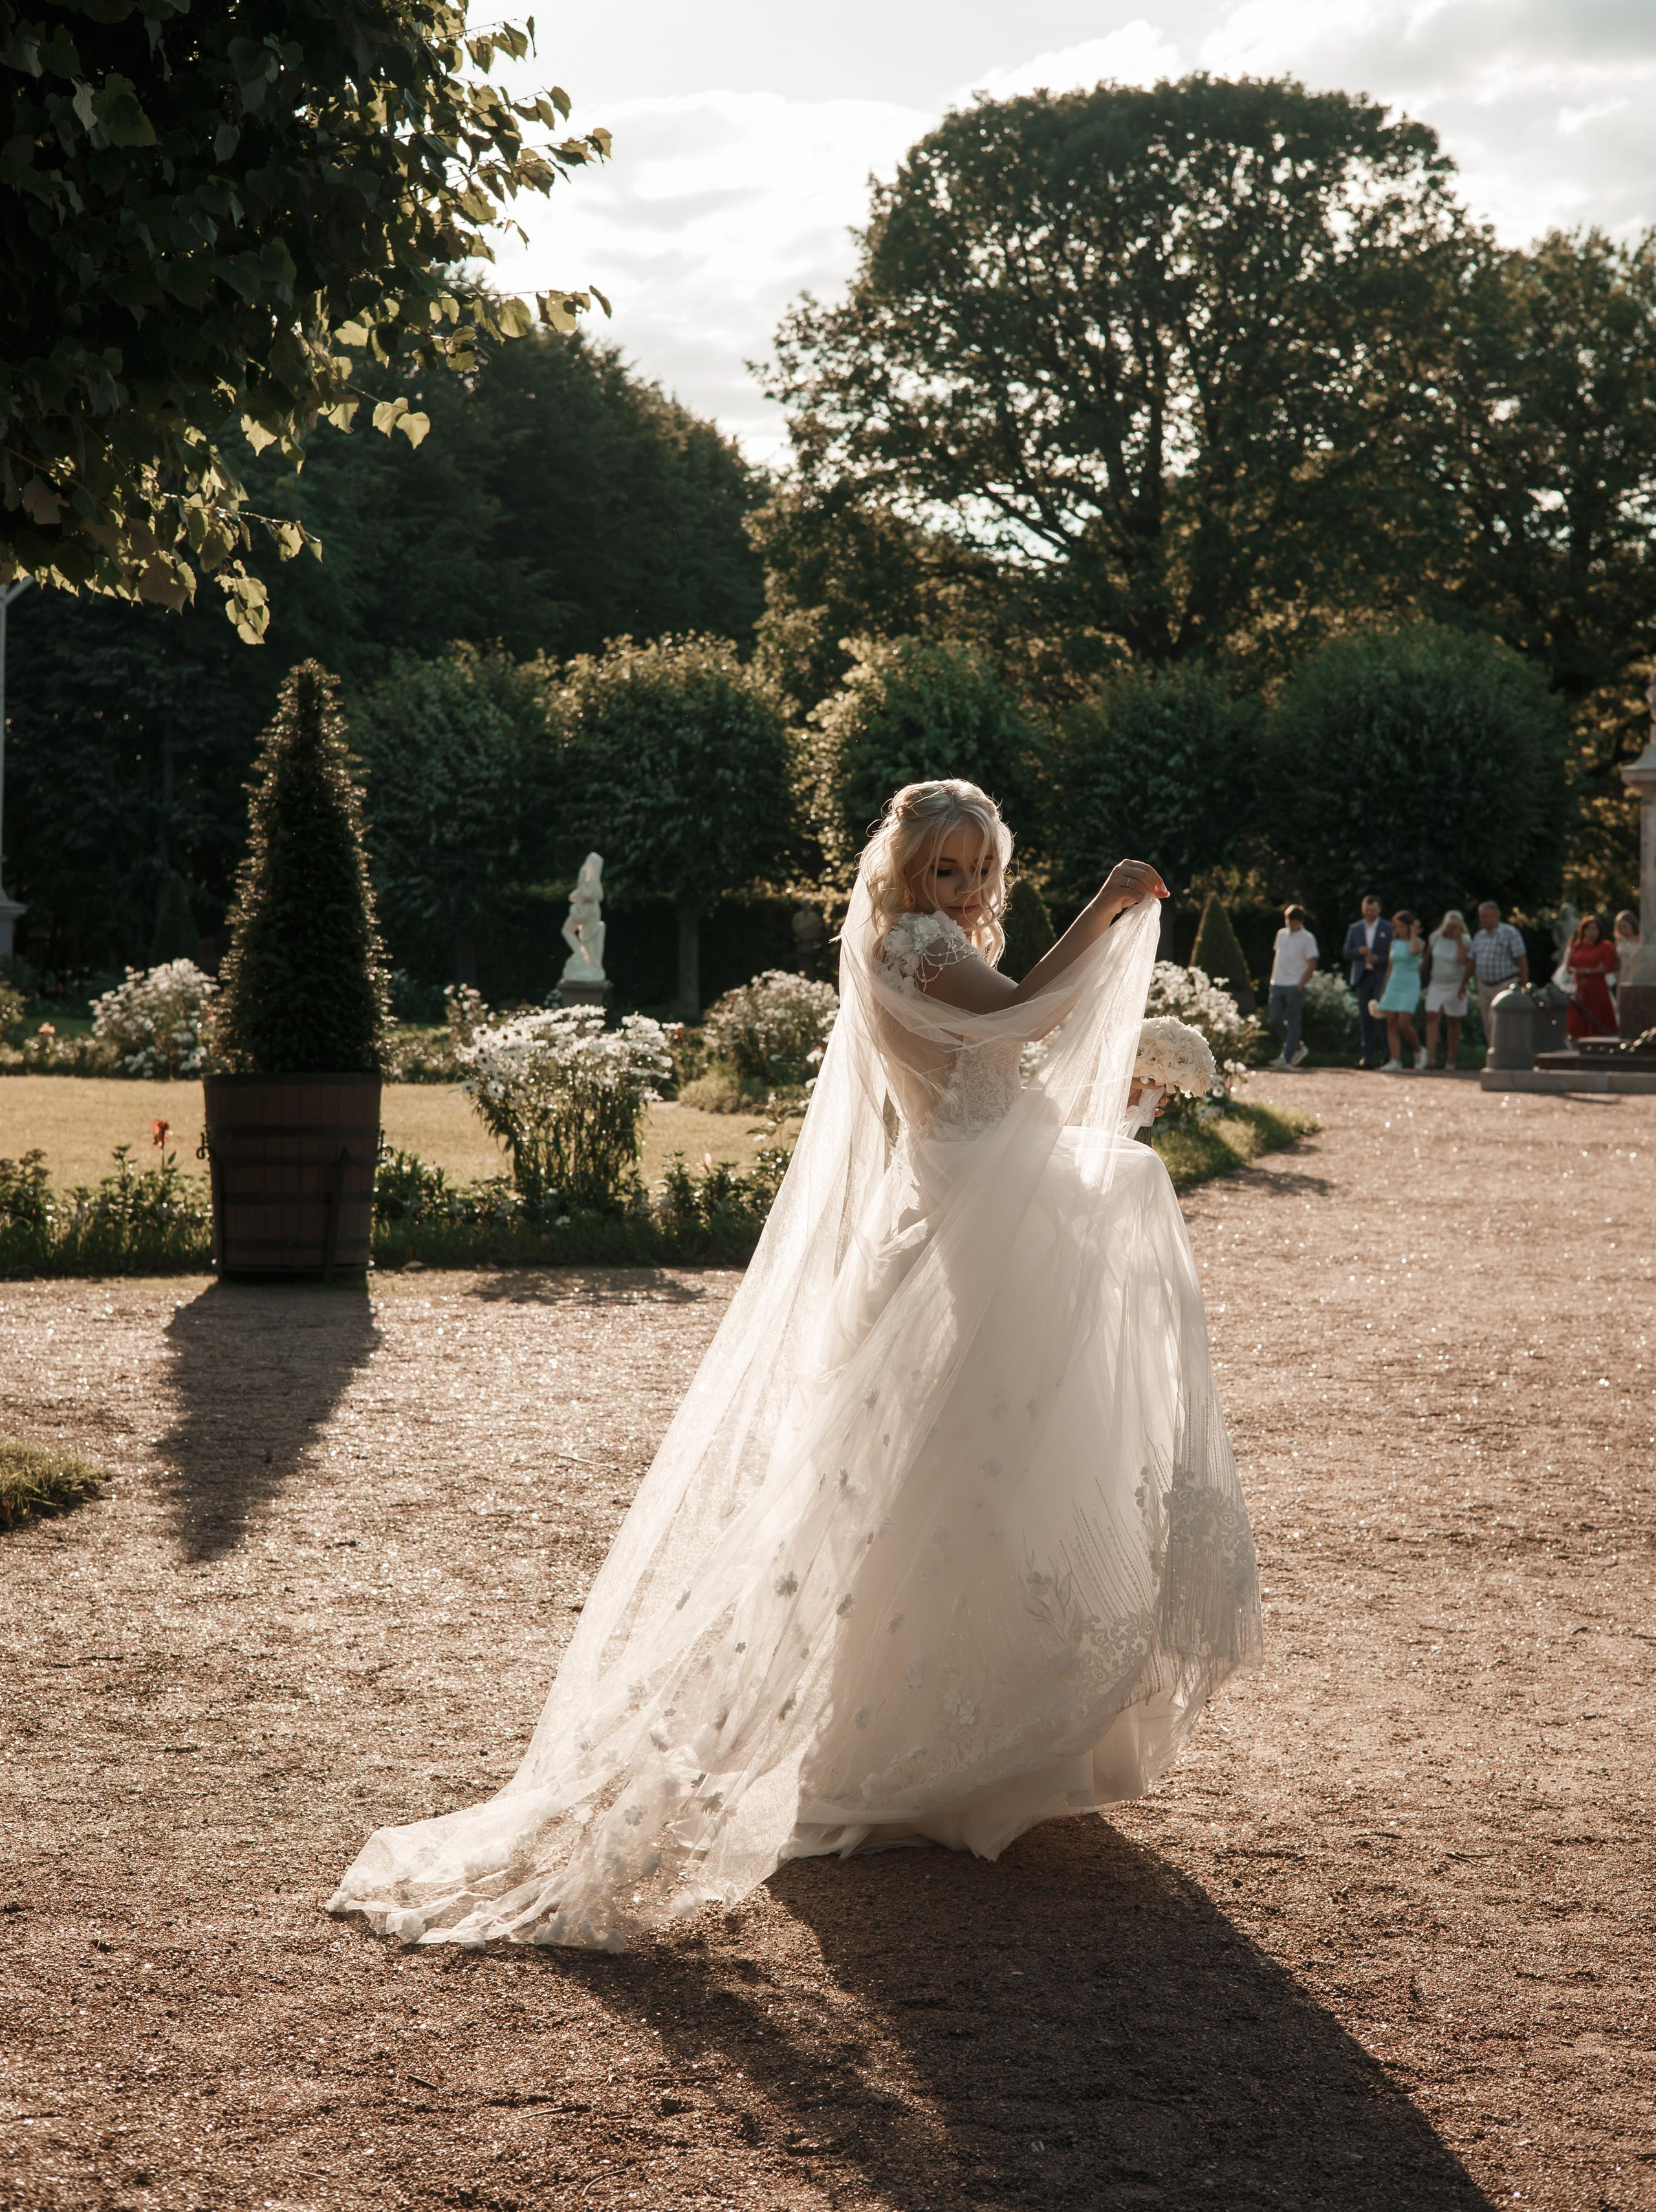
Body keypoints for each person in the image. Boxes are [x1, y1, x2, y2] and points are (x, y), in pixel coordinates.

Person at [329, 779, 1261, 1952]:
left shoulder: (901, 948)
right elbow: (1025, 1014)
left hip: (958, 1203)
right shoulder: (920, 949)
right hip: (967, 1214)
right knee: (975, 1457)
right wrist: (1114, 906)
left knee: (968, 1469)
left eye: (979, 870)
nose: (966, 890)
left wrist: (1105, 1095)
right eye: (947, 870)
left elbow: (986, 1084)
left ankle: (949, 1732)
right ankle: (921, 1749)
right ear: (908, 874)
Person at [1341, 895, 1393, 1069]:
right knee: (1365, 1019)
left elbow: (1394, 956)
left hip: (1380, 977)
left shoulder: (1388, 928)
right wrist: (1359, 951)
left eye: (1373, 910)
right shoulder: (1354, 929)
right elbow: (1347, 952)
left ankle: (1387, 1055)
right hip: (1362, 977)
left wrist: (1379, 958)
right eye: (1367, 910)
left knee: (1382, 1017)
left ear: (1379, 910)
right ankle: (1367, 1057)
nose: (1369, 913)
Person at [1267, 904, 1318, 1069]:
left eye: (1293, 920)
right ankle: (1297, 1048)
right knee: (1275, 1018)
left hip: (1295, 985)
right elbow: (1279, 958)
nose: (1289, 923)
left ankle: (1287, 1058)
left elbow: (1312, 963)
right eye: (1287, 919)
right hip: (1278, 983)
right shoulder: (1281, 934)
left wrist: (1301, 984)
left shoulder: (1308, 938)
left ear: (1300, 921)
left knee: (1293, 1021)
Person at [1422, 910, 1473, 1072]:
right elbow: (1427, 958)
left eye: (1455, 927)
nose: (1451, 930)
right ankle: (1431, 1058)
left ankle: (1451, 1061)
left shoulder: (1465, 941)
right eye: (1450, 926)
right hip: (1437, 982)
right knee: (1431, 1015)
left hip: (1456, 984)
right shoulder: (1435, 937)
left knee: (1453, 1021)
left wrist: (1458, 940)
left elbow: (1463, 961)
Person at [1376, 909, 1426, 1073]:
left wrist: (1413, 933)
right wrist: (1383, 991)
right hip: (1394, 984)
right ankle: (1395, 1060)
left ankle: (1418, 1051)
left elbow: (1413, 951)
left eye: (1402, 926)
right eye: (1396, 927)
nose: (1399, 930)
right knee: (1390, 1023)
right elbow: (1390, 968)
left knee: (1403, 1024)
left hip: (1410, 984)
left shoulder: (1419, 942)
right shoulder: (1394, 943)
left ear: (1410, 927)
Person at [1566, 915, 1619, 1042]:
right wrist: (1579, 971)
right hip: (1580, 988)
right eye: (1588, 929)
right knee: (1578, 1017)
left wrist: (1588, 971)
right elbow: (1569, 967)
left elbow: (1607, 967)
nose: (1591, 932)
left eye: (1594, 929)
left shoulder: (1605, 946)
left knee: (1598, 1016)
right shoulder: (1578, 946)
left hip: (1597, 988)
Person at [1469, 902, 1527, 1007]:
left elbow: (1521, 960)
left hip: (1505, 985)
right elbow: (1472, 961)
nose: (1482, 919)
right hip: (1484, 987)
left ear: (1495, 915)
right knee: (1488, 1022)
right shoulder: (1479, 936)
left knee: (1503, 1021)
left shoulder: (1510, 933)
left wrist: (1524, 985)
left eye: (1485, 916)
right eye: (1481, 916)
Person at [1615, 910, 1640, 989]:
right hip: (1623, 976)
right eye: (1620, 927)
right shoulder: (1618, 943)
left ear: (1632, 925)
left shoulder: (1641, 941)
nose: (1623, 930)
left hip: (1638, 975)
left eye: (1625, 926)